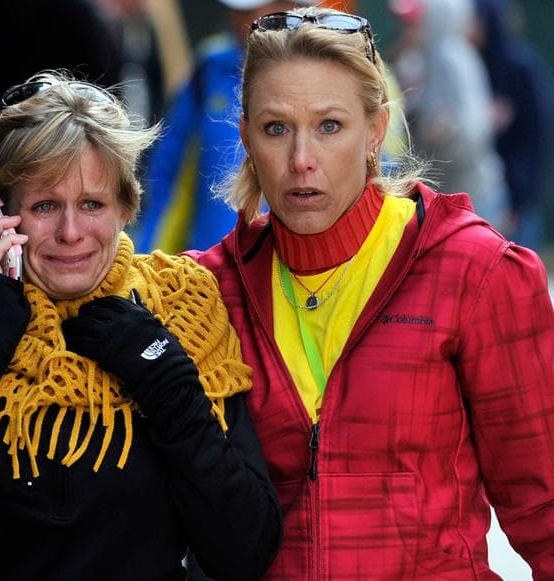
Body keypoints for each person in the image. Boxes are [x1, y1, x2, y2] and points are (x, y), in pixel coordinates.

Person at [0, 70, 282, 580]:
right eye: (45, 205)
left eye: (91, 204)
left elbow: (245, 549)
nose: (71, 233)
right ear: (0, 213)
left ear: (125, 208)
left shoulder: (181, 311)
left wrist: (165, 377)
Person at [186, 6, 554, 578]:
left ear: (375, 130)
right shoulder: (206, 291)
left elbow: (546, 508)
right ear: (246, 138)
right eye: (276, 128)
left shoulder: (475, 273)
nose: (301, 160)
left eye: (330, 126)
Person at [135, 0, 302, 254]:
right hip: (207, 271)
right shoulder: (208, 69)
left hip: (293, 269)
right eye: (237, 9)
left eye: (257, 8)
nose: (242, 18)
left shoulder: (332, 70)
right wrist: (147, 258)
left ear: (293, 7)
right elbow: (166, 177)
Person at [388, 0, 511, 232]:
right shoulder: (417, 59)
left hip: (473, 194)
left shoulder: (453, 60)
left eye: (414, 23)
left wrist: (445, 131)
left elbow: (476, 132)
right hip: (445, 195)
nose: (407, 30)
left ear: (436, 21)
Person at [471, 0, 553, 251]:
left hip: (516, 197)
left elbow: (535, 139)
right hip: (483, 191)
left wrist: (518, 201)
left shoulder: (521, 69)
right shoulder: (471, 65)